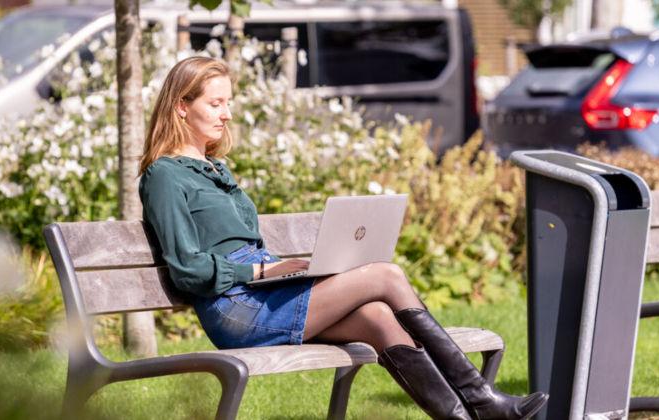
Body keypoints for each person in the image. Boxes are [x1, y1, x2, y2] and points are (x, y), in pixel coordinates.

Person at [138, 56, 548, 420]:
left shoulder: (215, 168)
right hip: (235, 308)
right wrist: (264, 270)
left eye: (229, 102)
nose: (226, 114)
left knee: (378, 317)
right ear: (181, 106)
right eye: (215, 103)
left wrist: (284, 270)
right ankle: (482, 399)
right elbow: (188, 270)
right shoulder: (165, 176)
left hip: (261, 291)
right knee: (385, 276)